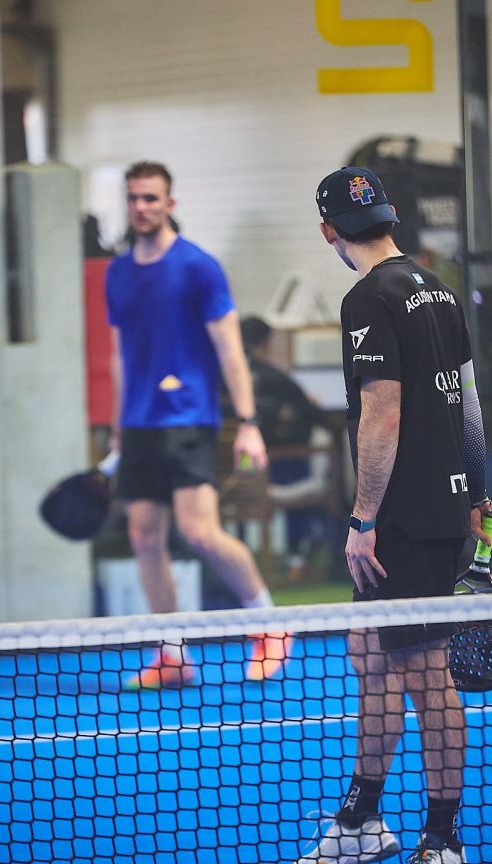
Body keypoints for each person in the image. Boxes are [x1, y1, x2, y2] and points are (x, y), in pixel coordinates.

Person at [292, 166, 492, 864]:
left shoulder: (366, 299)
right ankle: (362, 820)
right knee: (370, 657)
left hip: (405, 523)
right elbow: (468, 404)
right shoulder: (440, 291)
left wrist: (363, 519)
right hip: (437, 510)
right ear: (387, 217)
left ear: (329, 231)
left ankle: (444, 842)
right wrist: (476, 495)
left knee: (425, 676)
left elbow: (380, 415)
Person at [105, 161, 288, 688]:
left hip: (189, 419)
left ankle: (270, 625)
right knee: (144, 537)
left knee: (199, 532)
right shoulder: (117, 274)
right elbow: (120, 355)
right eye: (134, 198)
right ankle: (172, 655)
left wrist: (248, 423)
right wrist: (118, 426)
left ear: (170, 204)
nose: (141, 207)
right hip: (138, 425)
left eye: (151, 198)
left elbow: (231, 350)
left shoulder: (199, 267)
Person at [236, 316, 335, 578]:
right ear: (265, 344)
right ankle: (297, 555)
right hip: (273, 474)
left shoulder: (225, 380)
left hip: (233, 478)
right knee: (300, 465)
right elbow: (314, 414)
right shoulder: (275, 379)